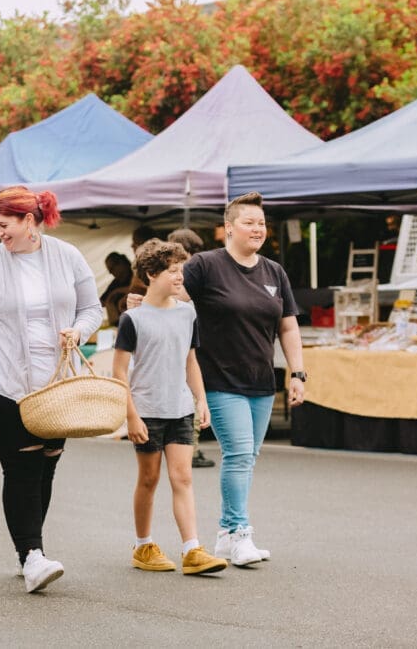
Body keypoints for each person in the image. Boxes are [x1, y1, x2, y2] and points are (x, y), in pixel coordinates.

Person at [0, 185, 102, 593]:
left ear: (29, 221)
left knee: (47, 463)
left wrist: (79, 329)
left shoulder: (67, 256)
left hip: (55, 385)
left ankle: (29, 552)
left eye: (4, 225)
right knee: (22, 466)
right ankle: (33, 555)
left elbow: (93, 308)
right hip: (2, 385)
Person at [183, 191, 305, 567]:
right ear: (228, 227)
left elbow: (288, 326)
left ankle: (224, 535)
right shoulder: (205, 266)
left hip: (260, 381)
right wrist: (145, 304)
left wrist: (297, 372)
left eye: (262, 224)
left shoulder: (274, 272)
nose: (257, 229)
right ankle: (239, 533)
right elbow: (172, 297)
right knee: (237, 455)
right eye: (249, 222)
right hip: (218, 378)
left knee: (247, 458)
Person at [113, 240, 228, 576]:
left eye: (182, 271)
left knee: (183, 477)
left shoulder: (187, 313)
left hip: (180, 408)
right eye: (173, 271)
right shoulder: (132, 319)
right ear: (151, 274)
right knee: (148, 479)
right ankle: (143, 544)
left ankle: (192, 549)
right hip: (146, 410)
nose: (180, 277)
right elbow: (119, 371)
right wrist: (130, 415)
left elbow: (190, 360)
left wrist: (201, 399)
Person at [166, 228, 215, 469]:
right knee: (192, 394)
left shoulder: (179, 273)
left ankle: (183, 444)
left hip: (182, 339)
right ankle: (191, 447)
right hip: (192, 339)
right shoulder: (193, 273)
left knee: (185, 391)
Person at [100, 251, 133, 326]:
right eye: (109, 271)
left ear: (121, 263)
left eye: (112, 269)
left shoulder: (137, 275)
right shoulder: (115, 283)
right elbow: (102, 301)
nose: (111, 273)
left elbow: (140, 290)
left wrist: (117, 292)